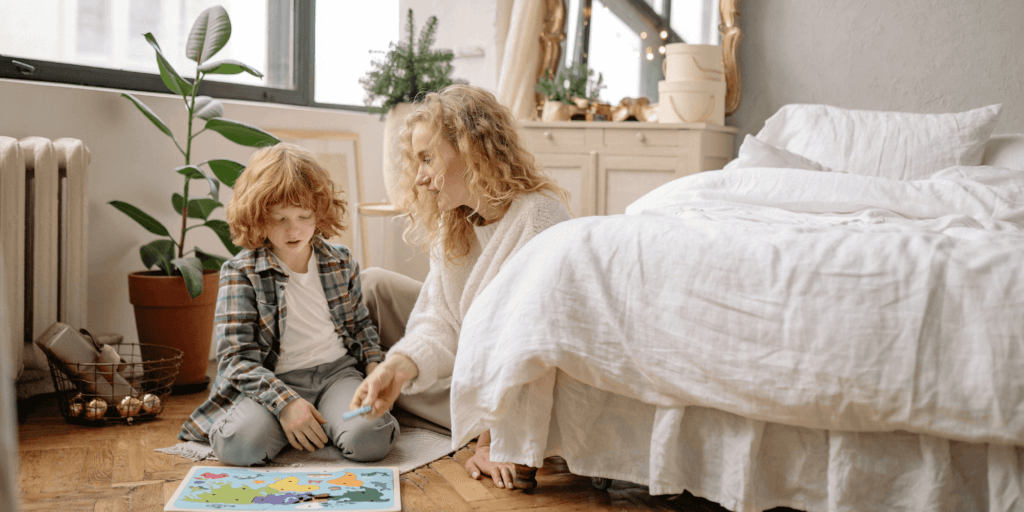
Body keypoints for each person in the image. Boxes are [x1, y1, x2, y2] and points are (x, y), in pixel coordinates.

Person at [350, 84, 572, 489]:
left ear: (472, 149)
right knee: (373, 290)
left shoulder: (539, 217)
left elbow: (529, 344)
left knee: (433, 377)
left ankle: (457, 415)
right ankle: (364, 385)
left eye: (427, 158)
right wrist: (397, 369)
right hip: (475, 364)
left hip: (526, 385)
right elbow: (440, 319)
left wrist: (494, 440)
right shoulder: (457, 222)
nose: (420, 177)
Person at [178, 143, 398, 466]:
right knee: (238, 444)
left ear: (318, 212)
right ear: (257, 217)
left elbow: (361, 327)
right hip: (273, 380)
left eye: (303, 216)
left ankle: (320, 424)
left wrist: (375, 371)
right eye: (279, 218)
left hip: (337, 374)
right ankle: (300, 424)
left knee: (370, 438)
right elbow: (235, 360)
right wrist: (285, 403)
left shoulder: (340, 261)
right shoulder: (240, 273)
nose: (294, 229)